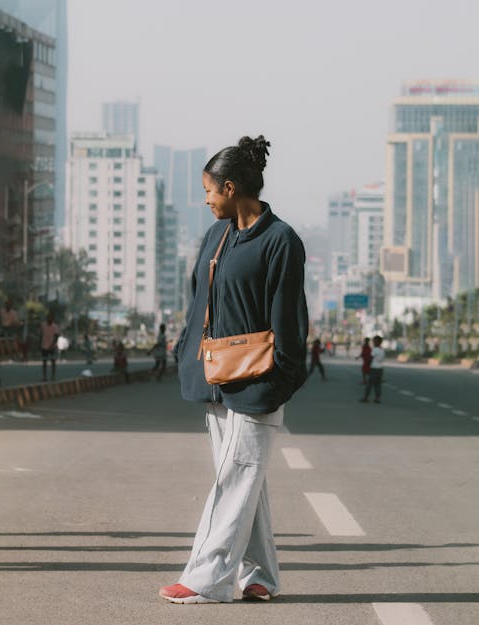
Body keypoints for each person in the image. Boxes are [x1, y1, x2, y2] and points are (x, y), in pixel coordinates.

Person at [159, 135, 308, 604]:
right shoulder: (215, 236)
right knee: (247, 480)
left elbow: (289, 319)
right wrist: (187, 353)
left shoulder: (281, 241)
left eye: (208, 191)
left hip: (258, 382)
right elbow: (197, 302)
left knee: (234, 479)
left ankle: (207, 579)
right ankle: (259, 573)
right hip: (216, 379)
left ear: (229, 187)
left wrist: (279, 381)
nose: (205, 200)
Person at [360, 335, 384, 403]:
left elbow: (370, 357)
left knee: (369, 384)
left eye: (374, 341)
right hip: (380, 369)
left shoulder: (375, 349)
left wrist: (367, 363)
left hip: (374, 369)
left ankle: (366, 397)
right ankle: (377, 398)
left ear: (378, 342)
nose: (373, 342)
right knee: (377, 385)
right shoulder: (382, 350)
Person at [40, 312, 59, 381]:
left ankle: (53, 376)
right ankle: (44, 377)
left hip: (52, 347)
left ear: (53, 319)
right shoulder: (43, 325)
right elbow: (41, 335)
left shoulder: (55, 326)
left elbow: (56, 337)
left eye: (51, 318)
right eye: (48, 318)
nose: (49, 319)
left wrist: (52, 345)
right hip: (44, 346)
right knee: (44, 362)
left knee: (53, 362)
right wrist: (40, 344)